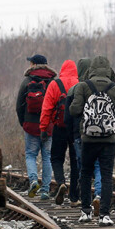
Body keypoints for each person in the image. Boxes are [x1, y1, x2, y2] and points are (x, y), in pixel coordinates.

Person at [69, 55, 115, 226]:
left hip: (88, 139)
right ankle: (104, 215)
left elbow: (74, 111)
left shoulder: (83, 86)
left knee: (86, 174)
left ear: (91, 70)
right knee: (106, 176)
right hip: (109, 141)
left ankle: (86, 212)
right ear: (109, 70)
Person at [16, 54, 56, 200]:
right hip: (49, 127)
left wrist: (24, 123)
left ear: (33, 64)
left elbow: (18, 106)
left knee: (31, 155)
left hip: (30, 125)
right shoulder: (53, 82)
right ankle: (45, 190)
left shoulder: (27, 81)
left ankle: (33, 180)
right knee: (47, 157)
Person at [39, 59, 79, 205]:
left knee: (56, 158)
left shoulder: (55, 84)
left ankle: (61, 182)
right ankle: (75, 197)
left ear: (62, 70)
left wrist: (44, 128)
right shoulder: (80, 83)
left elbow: (47, 108)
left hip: (59, 127)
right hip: (75, 129)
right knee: (75, 161)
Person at [66, 58, 102, 209]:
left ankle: (84, 200)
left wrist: (71, 135)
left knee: (84, 168)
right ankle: (99, 194)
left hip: (80, 135)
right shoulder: (101, 88)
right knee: (99, 166)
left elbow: (68, 117)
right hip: (99, 133)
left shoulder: (75, 89)